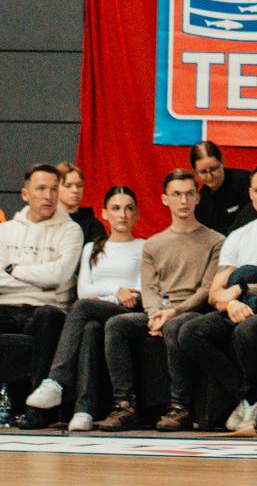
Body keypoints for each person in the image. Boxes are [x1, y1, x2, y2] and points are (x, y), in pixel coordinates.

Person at [166, 162, 257, 433]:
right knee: (190, 332)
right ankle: (250, 396)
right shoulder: (239, 237)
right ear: (250, 194)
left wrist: (242, 289)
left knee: (245, 279)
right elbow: (215, 292)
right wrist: (231, 303)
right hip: (240, 308)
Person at [98, 169, 224, 431]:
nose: (183, 201)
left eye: (189, 194)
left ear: (197, 198)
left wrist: (172, 314)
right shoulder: (153, 244)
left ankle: (180, 407)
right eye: (176, 194)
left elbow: (207, 290)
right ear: (165, 199)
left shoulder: (216, 240)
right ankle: (125, 405)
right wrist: (155, 314)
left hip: (193, 313)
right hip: (159, 312)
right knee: (116, 325)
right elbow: (149, 288)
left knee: (175, 325)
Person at [26, 185, 143, 431]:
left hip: (128, 313)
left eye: (128, 209)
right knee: (89, 328)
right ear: (104, 213)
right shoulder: (92, 248)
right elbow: (84, 290)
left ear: (136, 214)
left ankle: (56, 381)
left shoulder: (144, 247)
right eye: (116, 208)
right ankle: (84, 410)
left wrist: (105, 296)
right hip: (95, 312)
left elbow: (138, 292)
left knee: (83, 308)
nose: (122, 215)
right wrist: (115, 291)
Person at [2, 164, 84, 429]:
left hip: (45, 308)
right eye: (41, 189)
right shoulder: (5, 231)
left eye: (54, 189)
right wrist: (41, 277)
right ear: (25, 194)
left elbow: (59, 275)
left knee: (49, 317)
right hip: (5, 306)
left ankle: (38, 410)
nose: (49, 196)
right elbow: (48, 277)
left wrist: (13, 269)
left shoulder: (71, 231)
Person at [189, 141, 253, 235]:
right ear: (195, 172)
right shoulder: (200, 202)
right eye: (203, 172)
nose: (210, 176)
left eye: (213, 169)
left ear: (222, 163)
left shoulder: (245, 181)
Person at [55, 163, 105, 243]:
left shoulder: (93, 225)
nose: (75, 190)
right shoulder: (47, 221)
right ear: (55, 188)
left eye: (79, 185)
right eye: (68, 186)